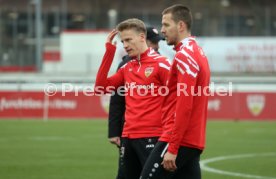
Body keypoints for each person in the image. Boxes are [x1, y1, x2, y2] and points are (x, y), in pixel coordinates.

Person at [140, 4, 210, 179]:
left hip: (179, 138)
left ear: (181, 26)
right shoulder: (197, 52)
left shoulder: (185, 56)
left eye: (166, 25)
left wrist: (172, 147)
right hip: (192, 139)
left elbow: (184, 106)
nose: (162, 30)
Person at [94, 18, 170, 179]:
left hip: (153, 137)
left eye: (128, 40)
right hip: (127, 138)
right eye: (122, 41)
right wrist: (109, 51)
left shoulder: (162, 64)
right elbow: (100, 87)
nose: (125, 45)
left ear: (142, 37)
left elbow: (176, 102)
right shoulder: (127, 67)